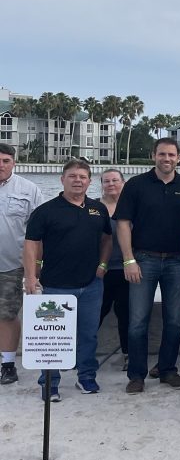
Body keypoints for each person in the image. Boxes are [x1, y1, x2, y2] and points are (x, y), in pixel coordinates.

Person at [115, 138, 180, 394]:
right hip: (144, 260)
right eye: (162, 154)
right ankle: (136, 375)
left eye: (172, 155)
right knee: (137, 321)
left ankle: (167, 369)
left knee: (175, 321)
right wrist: (128, 259)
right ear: (154, 155)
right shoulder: (136, 185)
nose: (167, 159)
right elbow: (123, 223)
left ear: (179, 158)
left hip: (178, 262)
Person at [21, 159, 112, 399]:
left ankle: (87, 378)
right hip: (55, 286)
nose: (78, 181)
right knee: (52, 338)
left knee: (88, 334)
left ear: (89, 182)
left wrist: (102, 265)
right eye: (72, 176)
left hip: (91, 286)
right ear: (62, 179)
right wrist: (31, 277)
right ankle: (49, 384)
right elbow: (31, 246)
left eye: (82, 177)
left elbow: (107, 239)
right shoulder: (46, 211)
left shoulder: (98, 209)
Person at [0, 143, 43, 387]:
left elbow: (39, 233)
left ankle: (7, 365)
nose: (1, 165)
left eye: (6, 160)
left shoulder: (29, 189)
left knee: (6, 315)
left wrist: (35, 268)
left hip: (11, 265)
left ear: (14, 162)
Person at [97, 168, 130, 369]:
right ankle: (80, 353)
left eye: (115, 180)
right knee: (96, 313)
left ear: (123, 183)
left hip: (126, 270)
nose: (111, 184)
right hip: (100, 271)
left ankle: (128, 354)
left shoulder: (132, 207)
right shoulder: (93, 207)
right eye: (106, 181)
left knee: (126, 314)